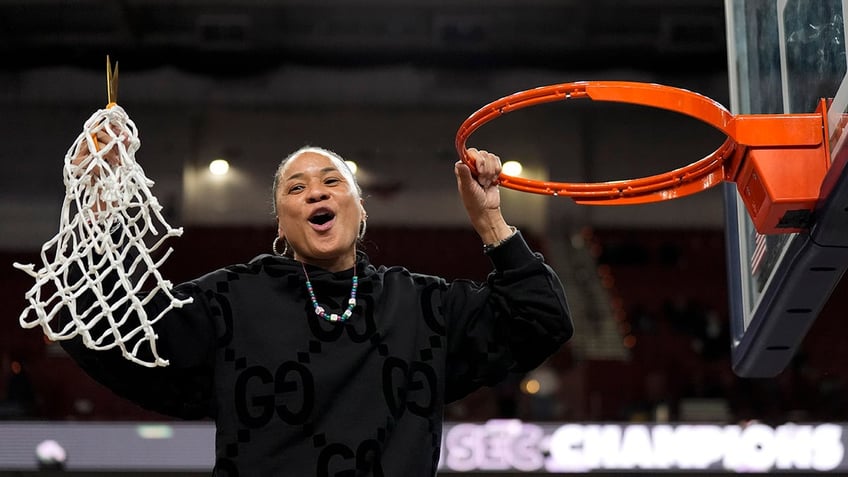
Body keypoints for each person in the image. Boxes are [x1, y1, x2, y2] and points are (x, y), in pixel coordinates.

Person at [59, 139, 573, 475]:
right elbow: (101, 332)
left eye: (331, 181)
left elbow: (541, 320)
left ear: (359, 210)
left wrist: (490, 221)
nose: (315, 192)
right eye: (296, 187)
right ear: (280, 224)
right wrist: (95, 211)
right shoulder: (231, 298)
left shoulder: (421, 305)